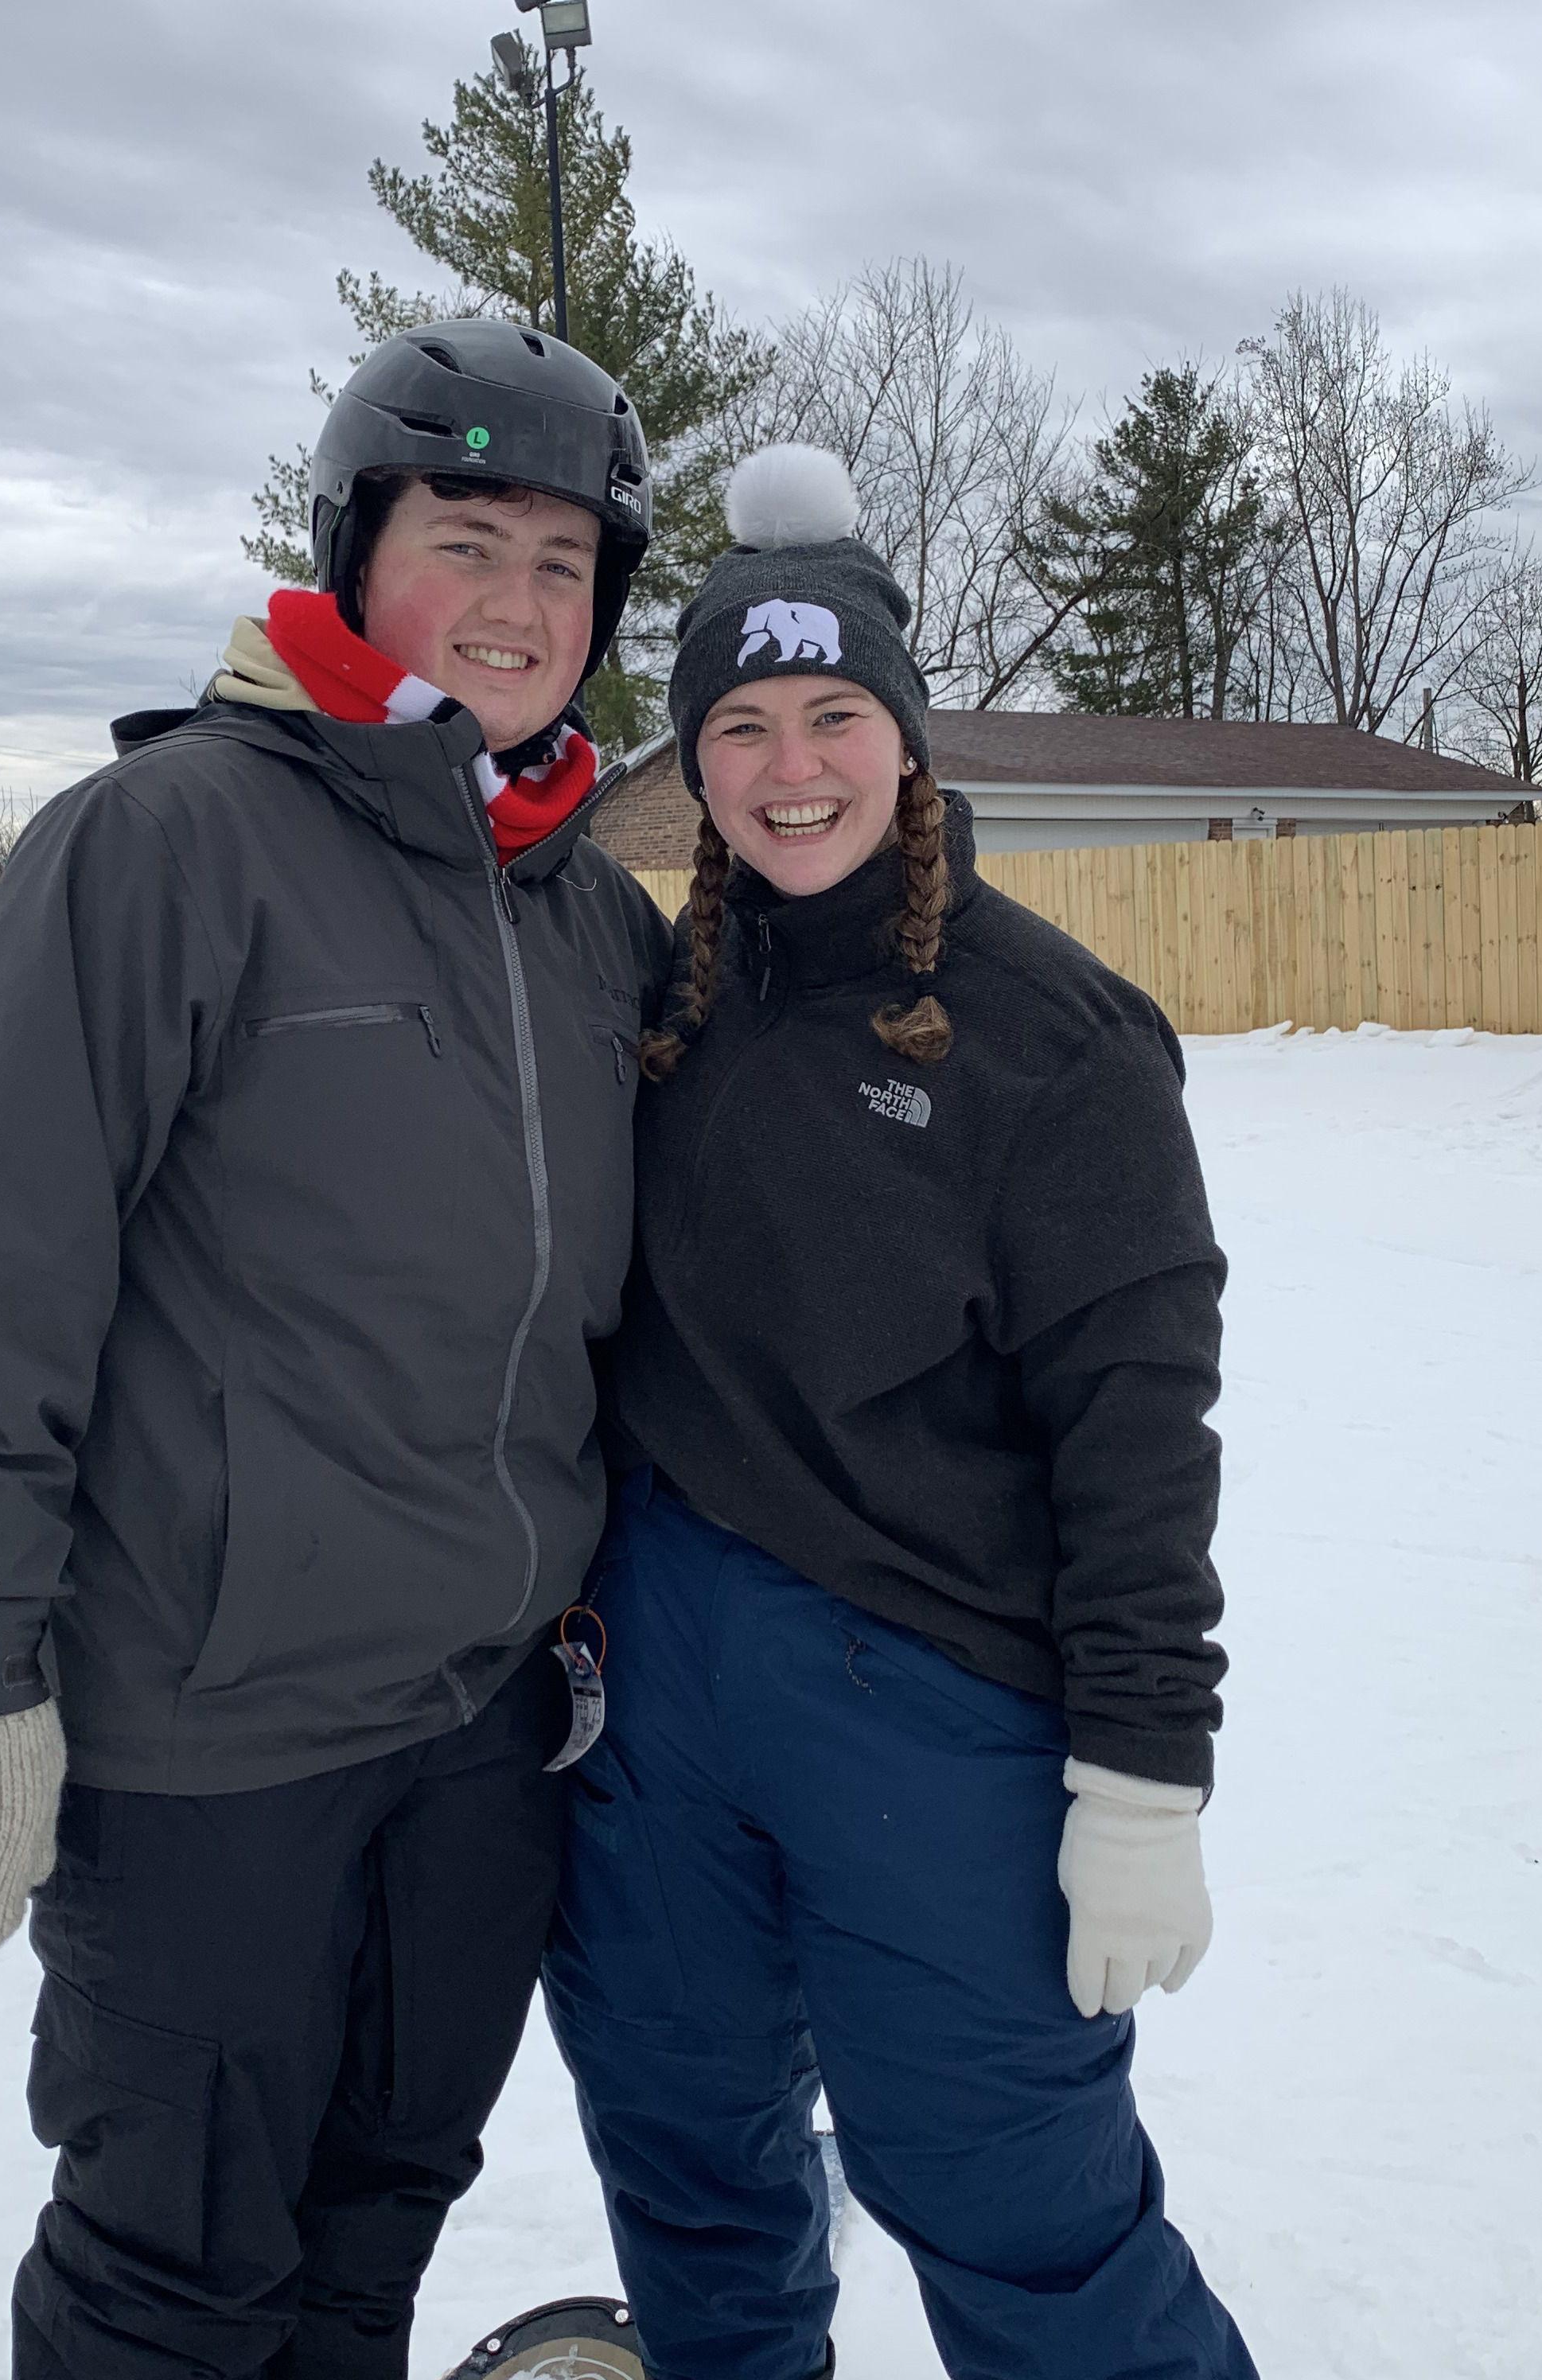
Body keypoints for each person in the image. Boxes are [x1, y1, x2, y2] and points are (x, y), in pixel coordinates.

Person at [0, 320, 672, 2380]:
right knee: (173, 2279)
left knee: (374, 2222)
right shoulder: (166, 847)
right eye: (466, 539)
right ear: (358, 549)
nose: (515, 604)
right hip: (208, 1745)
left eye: (564, 566)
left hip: (484, 1737)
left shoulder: (591, 919)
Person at [541, 446, 1259, 2380]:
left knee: (1020, 2216)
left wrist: (1137, 1778)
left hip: (929, 1698)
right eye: (742, 722)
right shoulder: (655, 996)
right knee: (689, 2163)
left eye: (834, 713)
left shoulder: (1056, 1039)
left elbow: (1137, 1440)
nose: (791, 765)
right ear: (690, 761)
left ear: (905, 738)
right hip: (647, 1686)